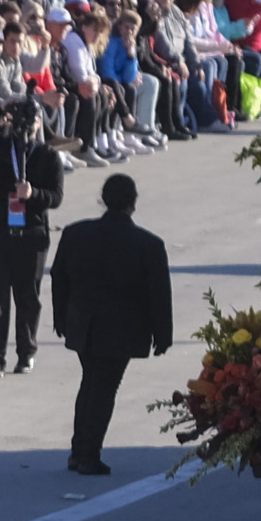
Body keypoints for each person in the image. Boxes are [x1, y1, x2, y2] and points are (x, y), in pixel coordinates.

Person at [46, 170, 171, 475]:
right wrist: (163, 335)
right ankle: (88, 454)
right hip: (120, 330)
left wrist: (60, 317)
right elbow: (159, 294)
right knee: (103, 388)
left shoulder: (75, 233)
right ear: (133, 203)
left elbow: (58, 278)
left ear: (102, 200)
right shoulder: (149, 245)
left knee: (91, 383)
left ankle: (79, 450)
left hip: (82, 324)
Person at [0, 95, 62, 379]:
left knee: (27, 296)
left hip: (30, 232)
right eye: (23, 119)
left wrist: (34, 194)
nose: (27, 125)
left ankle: (26, 352)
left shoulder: (47, 155)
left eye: (32, 120)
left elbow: (56, 197)